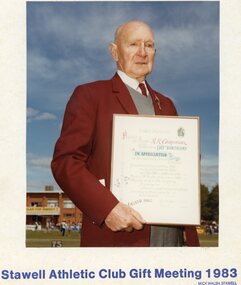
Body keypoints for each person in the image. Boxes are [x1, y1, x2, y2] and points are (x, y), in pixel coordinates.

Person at [51, 21, 199, 247]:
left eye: (149, 45)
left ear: (155, 53)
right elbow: (66, 162)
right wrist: (107, 208)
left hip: (174, 239)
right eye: (133, 44)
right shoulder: (91, 95)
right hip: (119, 239)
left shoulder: (167, 105)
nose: (142, 52)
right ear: (114, 51)